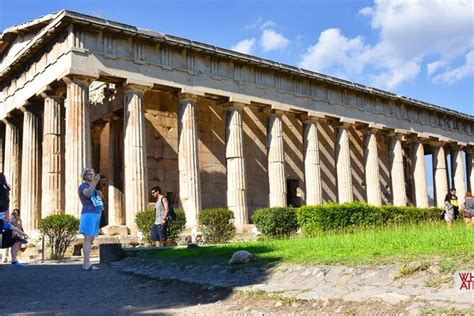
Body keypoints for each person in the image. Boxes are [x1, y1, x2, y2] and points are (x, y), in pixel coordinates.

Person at [78, 168, 103, 270]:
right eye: (89, 174)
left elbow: (97, 200)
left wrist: (99, 194)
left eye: (92, 173)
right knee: (88, 239)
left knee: (90, 239)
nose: (91, 175)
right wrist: (96, 182)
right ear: (84, 176)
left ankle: (85, 264)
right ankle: (87, 264)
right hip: (88, 213)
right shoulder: (83, 186)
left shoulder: (93, 187)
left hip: (95, 213)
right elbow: (87, 193)